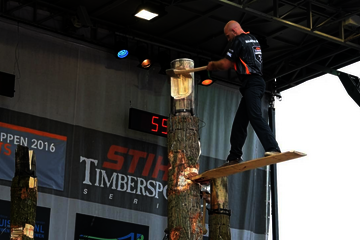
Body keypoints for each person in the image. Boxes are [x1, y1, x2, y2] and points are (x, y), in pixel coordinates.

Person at [207, 20, 281, 166]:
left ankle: (273, 148)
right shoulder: (253, 39)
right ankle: (234, 156)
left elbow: (225, 64)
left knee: (254, 116)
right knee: (239, 123)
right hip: (252, 84)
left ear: (234, 31)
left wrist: (212, 65)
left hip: (253, 83)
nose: (228, 39)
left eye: (228, 36)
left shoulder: (239, 40)